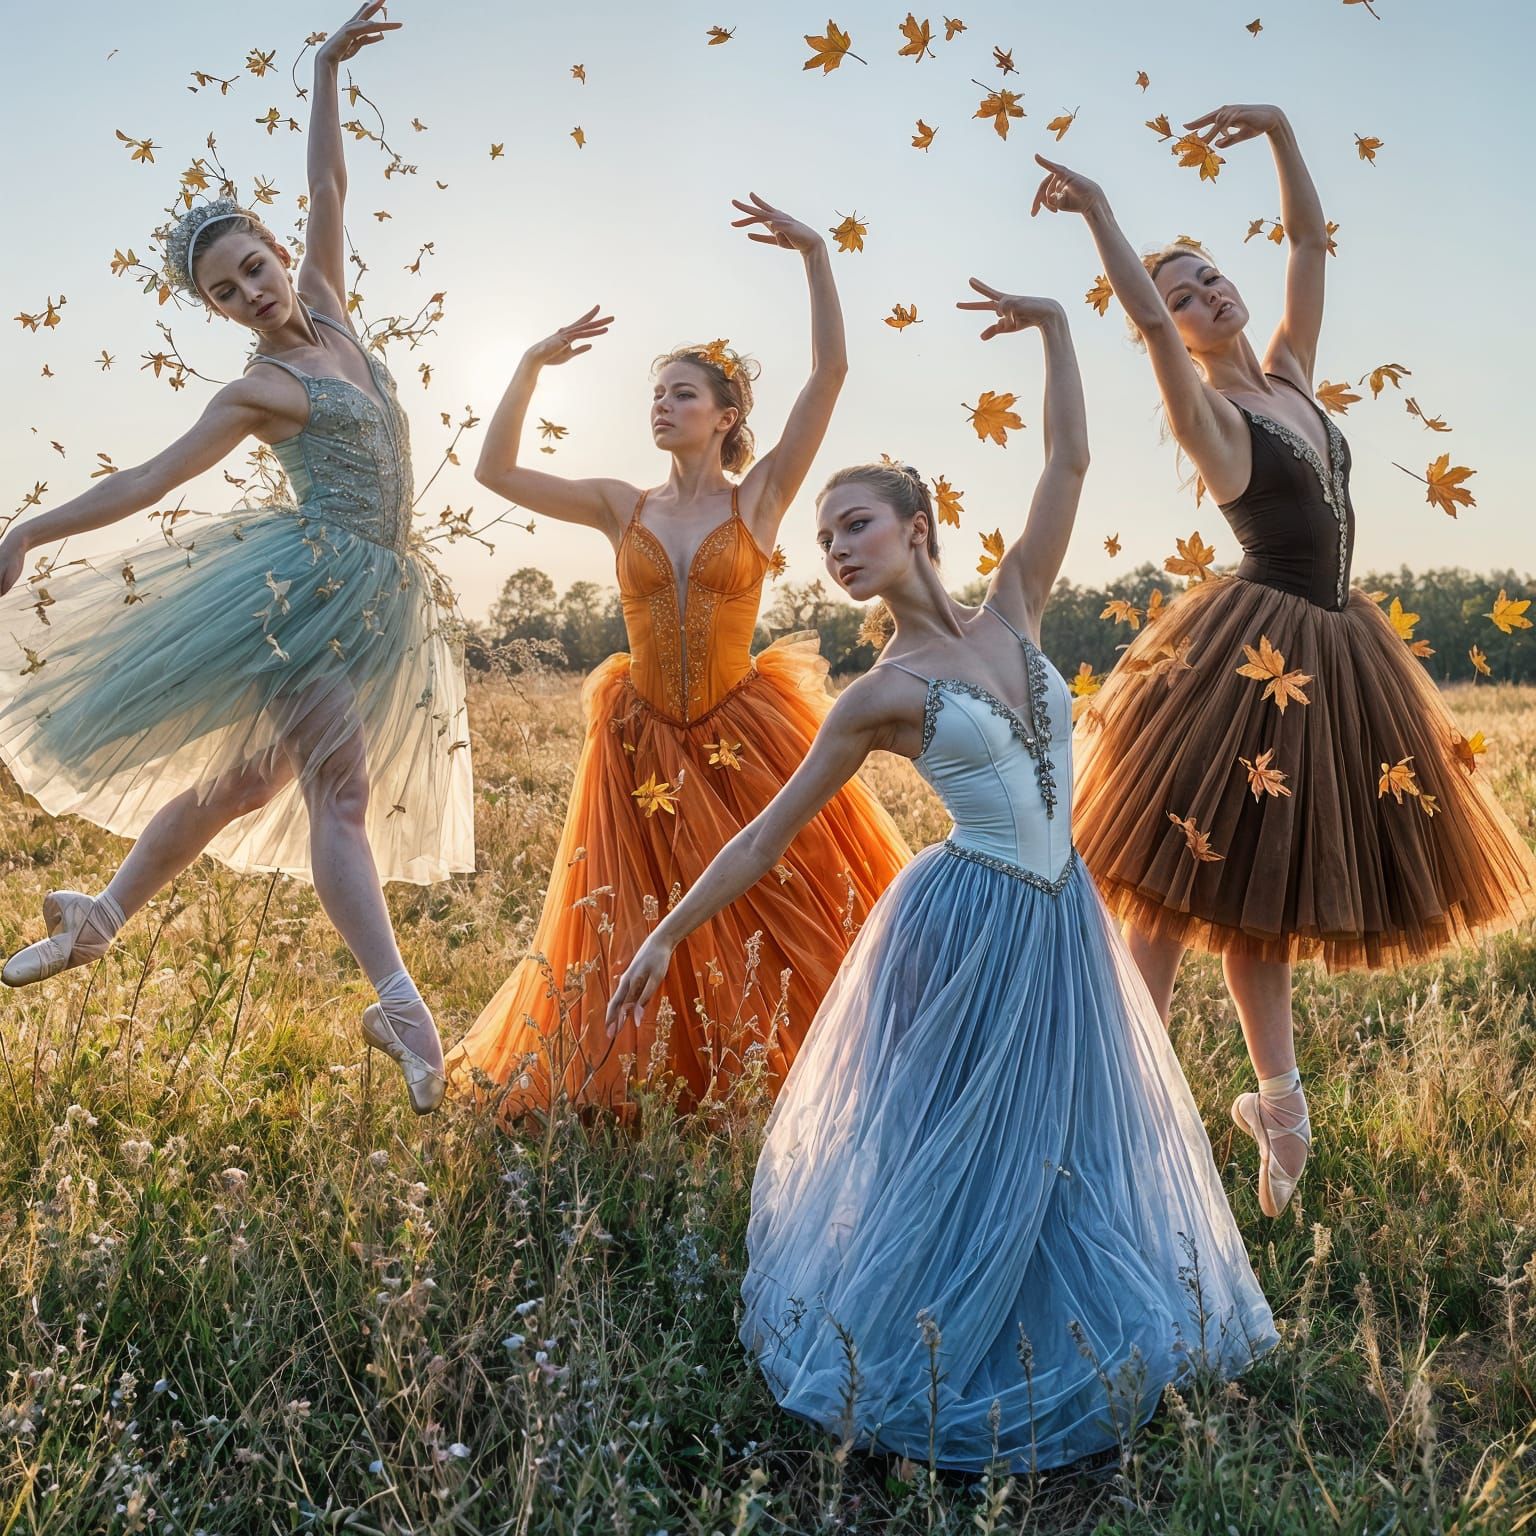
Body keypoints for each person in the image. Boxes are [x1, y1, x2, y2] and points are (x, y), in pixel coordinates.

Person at [605, 284, 1275, 1473]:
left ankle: (1063, 1324)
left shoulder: (1016, 608)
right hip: (962, 925)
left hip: (1065, 915)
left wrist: (1061, 332)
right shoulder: (878, 695)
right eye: (822, 541)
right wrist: (665, 932)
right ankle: (916, 1354)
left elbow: (1068, 459)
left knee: (1071, 1132)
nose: (835, 550)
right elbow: (761, 835)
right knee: (956, 1143)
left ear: (916, 525)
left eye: (853, 524)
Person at [1030, 106, 1536, 1217]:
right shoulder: (1210, 414)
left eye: (1210, 276)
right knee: (1169, 894)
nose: (1207, 295)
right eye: (1181, 293)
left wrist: (1278, 129)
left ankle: (1278, 1104)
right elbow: (1158, 339)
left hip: (1339, 650)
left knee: (1261, 895)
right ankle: (1111, 1122)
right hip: (1247, 658)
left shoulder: (1295, 373)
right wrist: (1105, 218)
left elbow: (1308, 245)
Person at [0, 2, 470, 1114]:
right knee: (338, 795)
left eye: (254, 266)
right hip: (295, 593)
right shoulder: (259, 388)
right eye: (227, 291)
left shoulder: (340, 321)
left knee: (246, 779)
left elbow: (329, 191)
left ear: (269, 248)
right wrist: (24, 531)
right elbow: (146, 481)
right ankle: (399, 1002)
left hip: (380, 599)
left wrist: (322, 69)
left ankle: (100, 916)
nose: (255, 290)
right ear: (214, 311)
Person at [447, 196, 910, 1115]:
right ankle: (645, 1080)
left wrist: (816, 254)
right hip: (638, 736)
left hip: (747, 727)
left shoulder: (763, 499)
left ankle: (812, 1080)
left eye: (680, 393)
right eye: (654, 395)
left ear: (725, 413)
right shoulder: (624, 505)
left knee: (780, 900)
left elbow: (832, 373)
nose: (661, 406)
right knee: (627, 910)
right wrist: (531, 365)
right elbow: (494, 472)